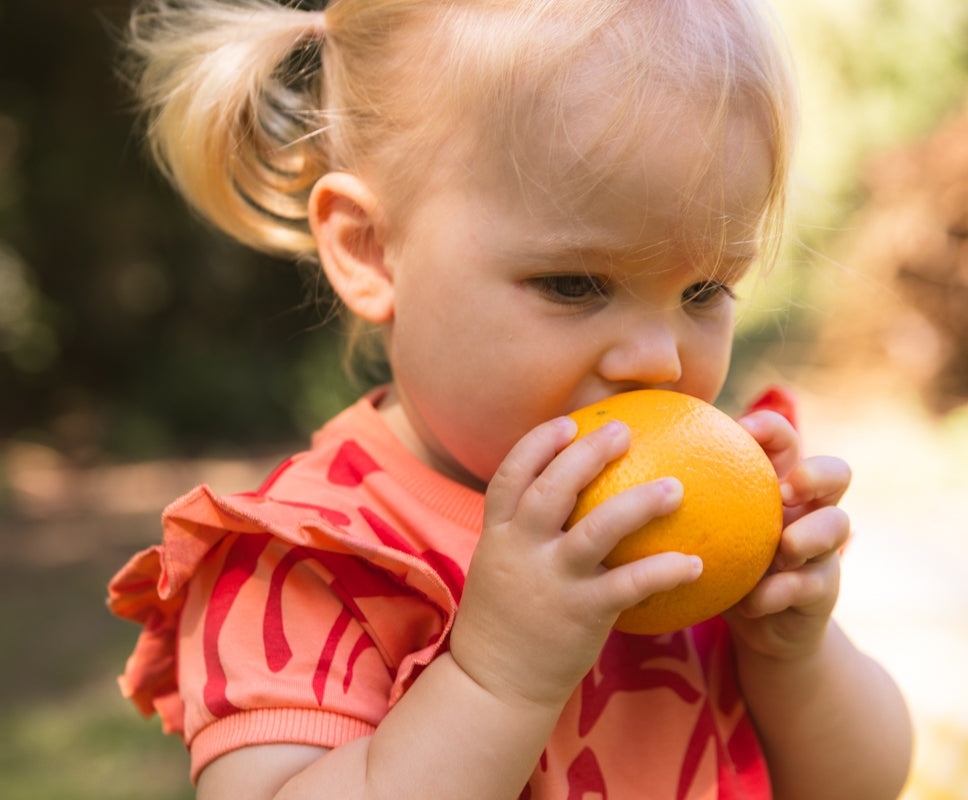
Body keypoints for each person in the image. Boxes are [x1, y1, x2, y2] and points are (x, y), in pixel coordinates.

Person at [107, 1, 914, 797]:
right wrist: (500, 679)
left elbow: (869, 782)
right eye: (575, 284)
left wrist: (792, 658)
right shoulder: (308, 565)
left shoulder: (702, 516)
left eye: (704, 289)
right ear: (372, 251)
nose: (659, 360)